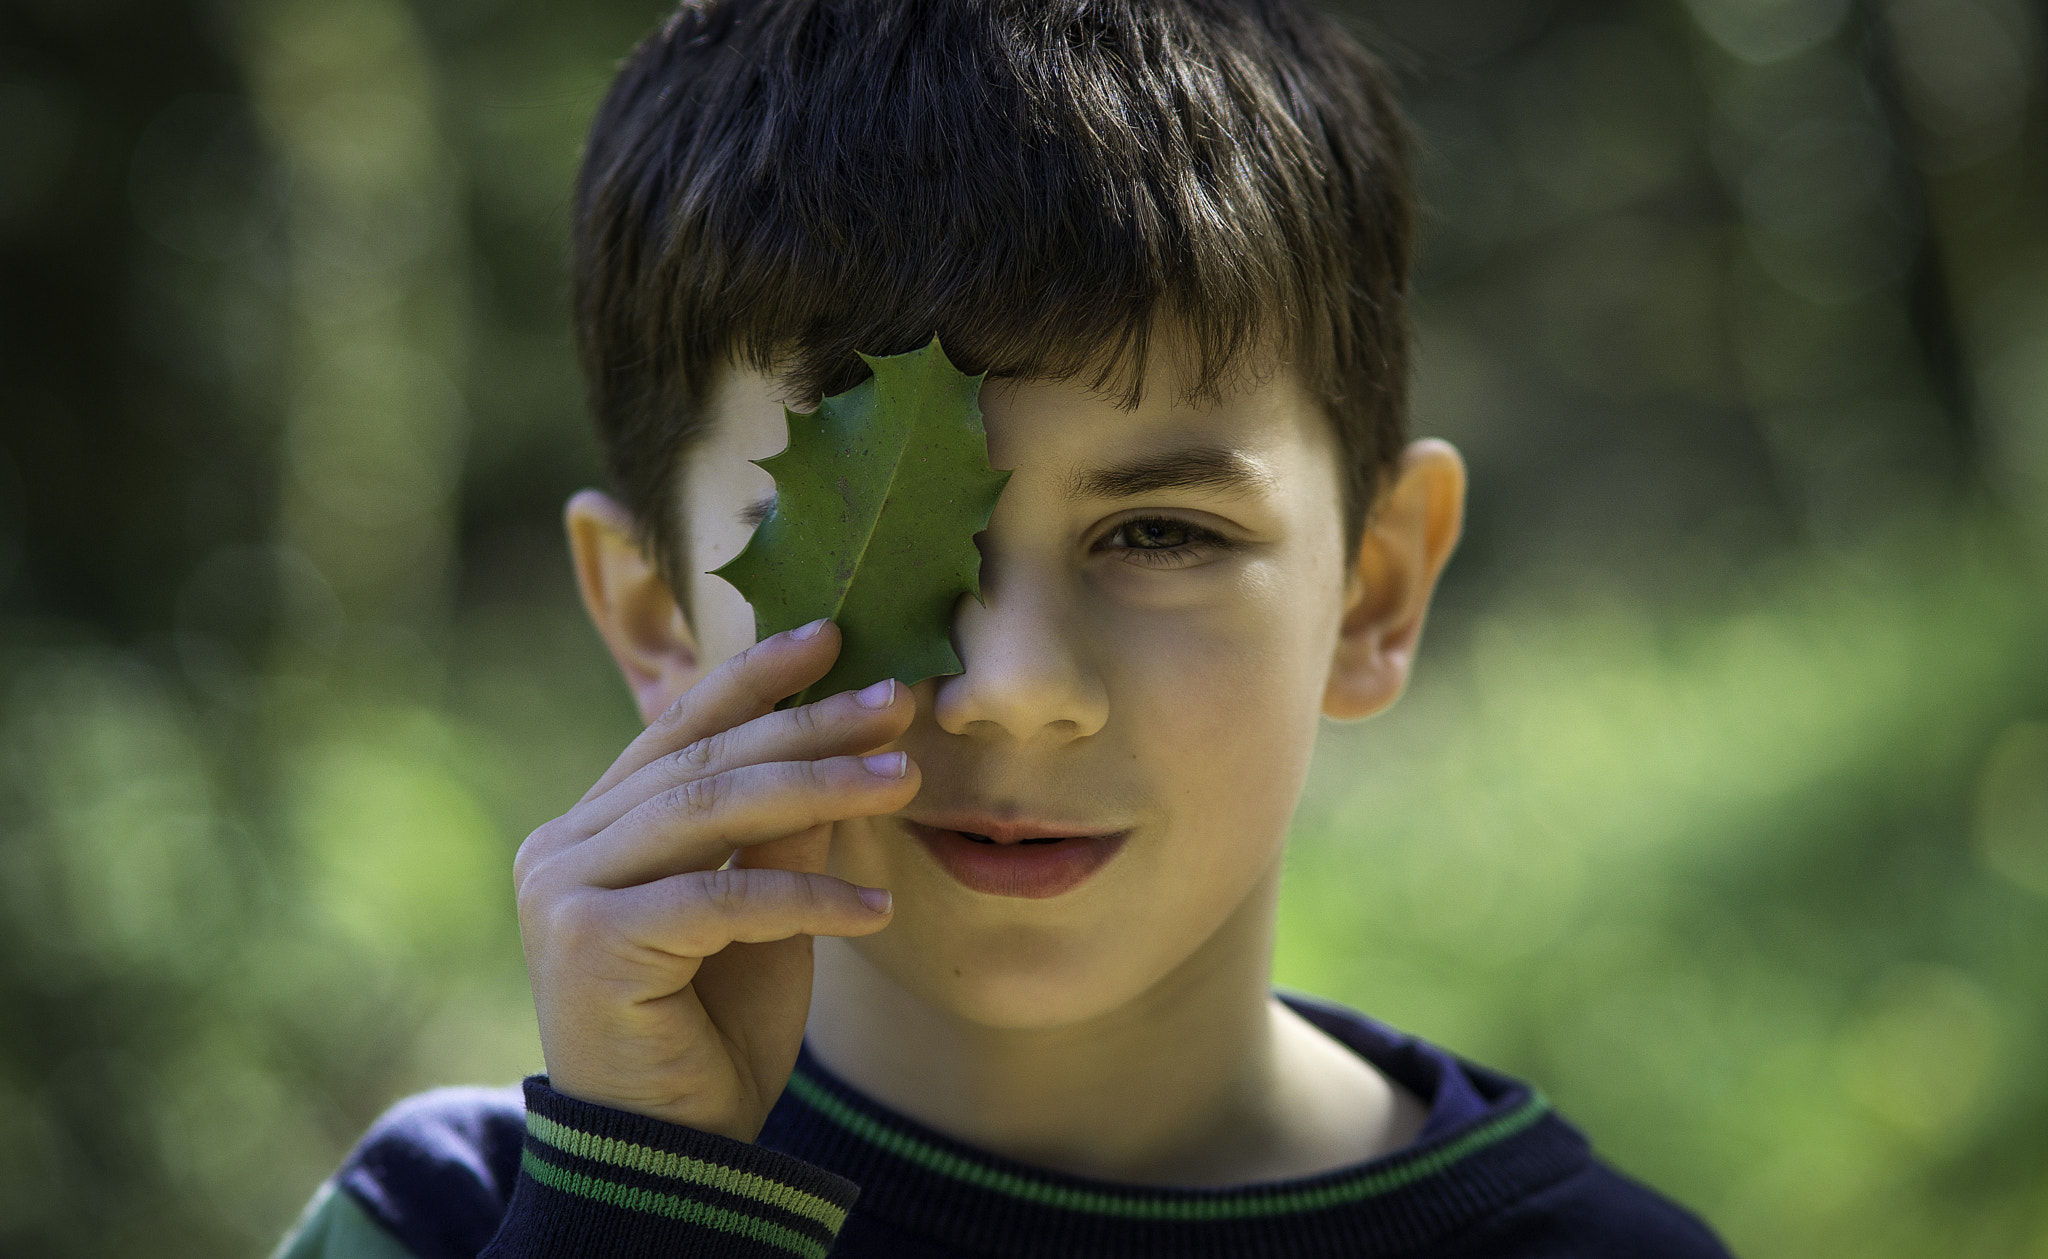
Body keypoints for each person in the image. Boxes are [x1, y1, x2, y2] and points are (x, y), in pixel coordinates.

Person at [276, 0, 1734, 1255]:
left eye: (1162, 533)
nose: (1016, 691)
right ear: (659, 616)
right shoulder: (449, 1229)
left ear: (1375, 590)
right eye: (886, 542)